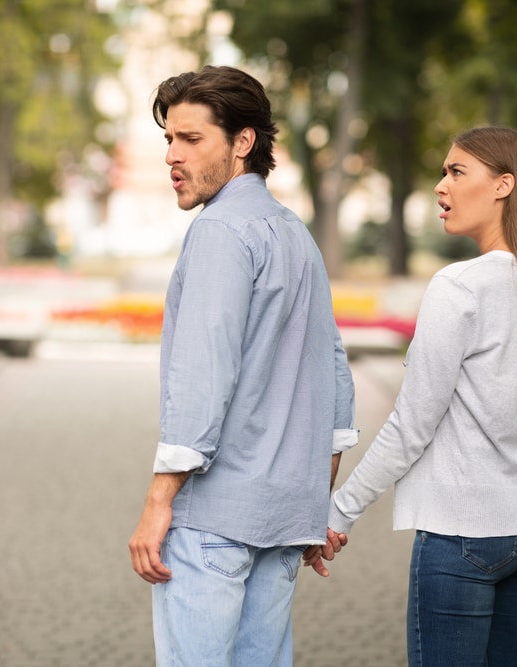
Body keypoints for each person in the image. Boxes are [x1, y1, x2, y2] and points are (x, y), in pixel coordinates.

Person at [309, 126, 517, 667]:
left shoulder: (459, 287)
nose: (441, 186)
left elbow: (411, 427)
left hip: (465, 533)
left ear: (503, 185)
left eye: (457, 172)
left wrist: (338, 512)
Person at [127, 65, 357, 666]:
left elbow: (202, 382)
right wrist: (315, 500)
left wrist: (158, 504)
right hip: (285, 520)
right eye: (169, 140)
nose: (172, 156)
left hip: (215, 519)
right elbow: (334, 377)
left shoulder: (220, 232)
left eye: (192, 139)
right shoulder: (293, 233)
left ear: (243, 142)